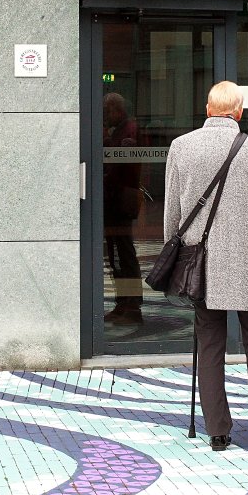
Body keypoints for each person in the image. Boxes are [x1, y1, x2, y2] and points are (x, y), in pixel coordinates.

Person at [163, 81, 248, 453]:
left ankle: (218, 431)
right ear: (239, 112)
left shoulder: (181, 146)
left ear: (208, 109)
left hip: (201, 260)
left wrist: (175, 249)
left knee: (209, 342)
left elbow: (172, 212)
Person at [102, 93, 144, 325]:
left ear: (117, 110)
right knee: (116, 252)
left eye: (108, 111)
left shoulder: (128, 129)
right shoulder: (120, 129)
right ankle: (123, 302)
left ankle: (132, 305)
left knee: (123, 252)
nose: (106, 116)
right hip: (114, 199)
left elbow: (120, 165)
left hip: (119, 199)